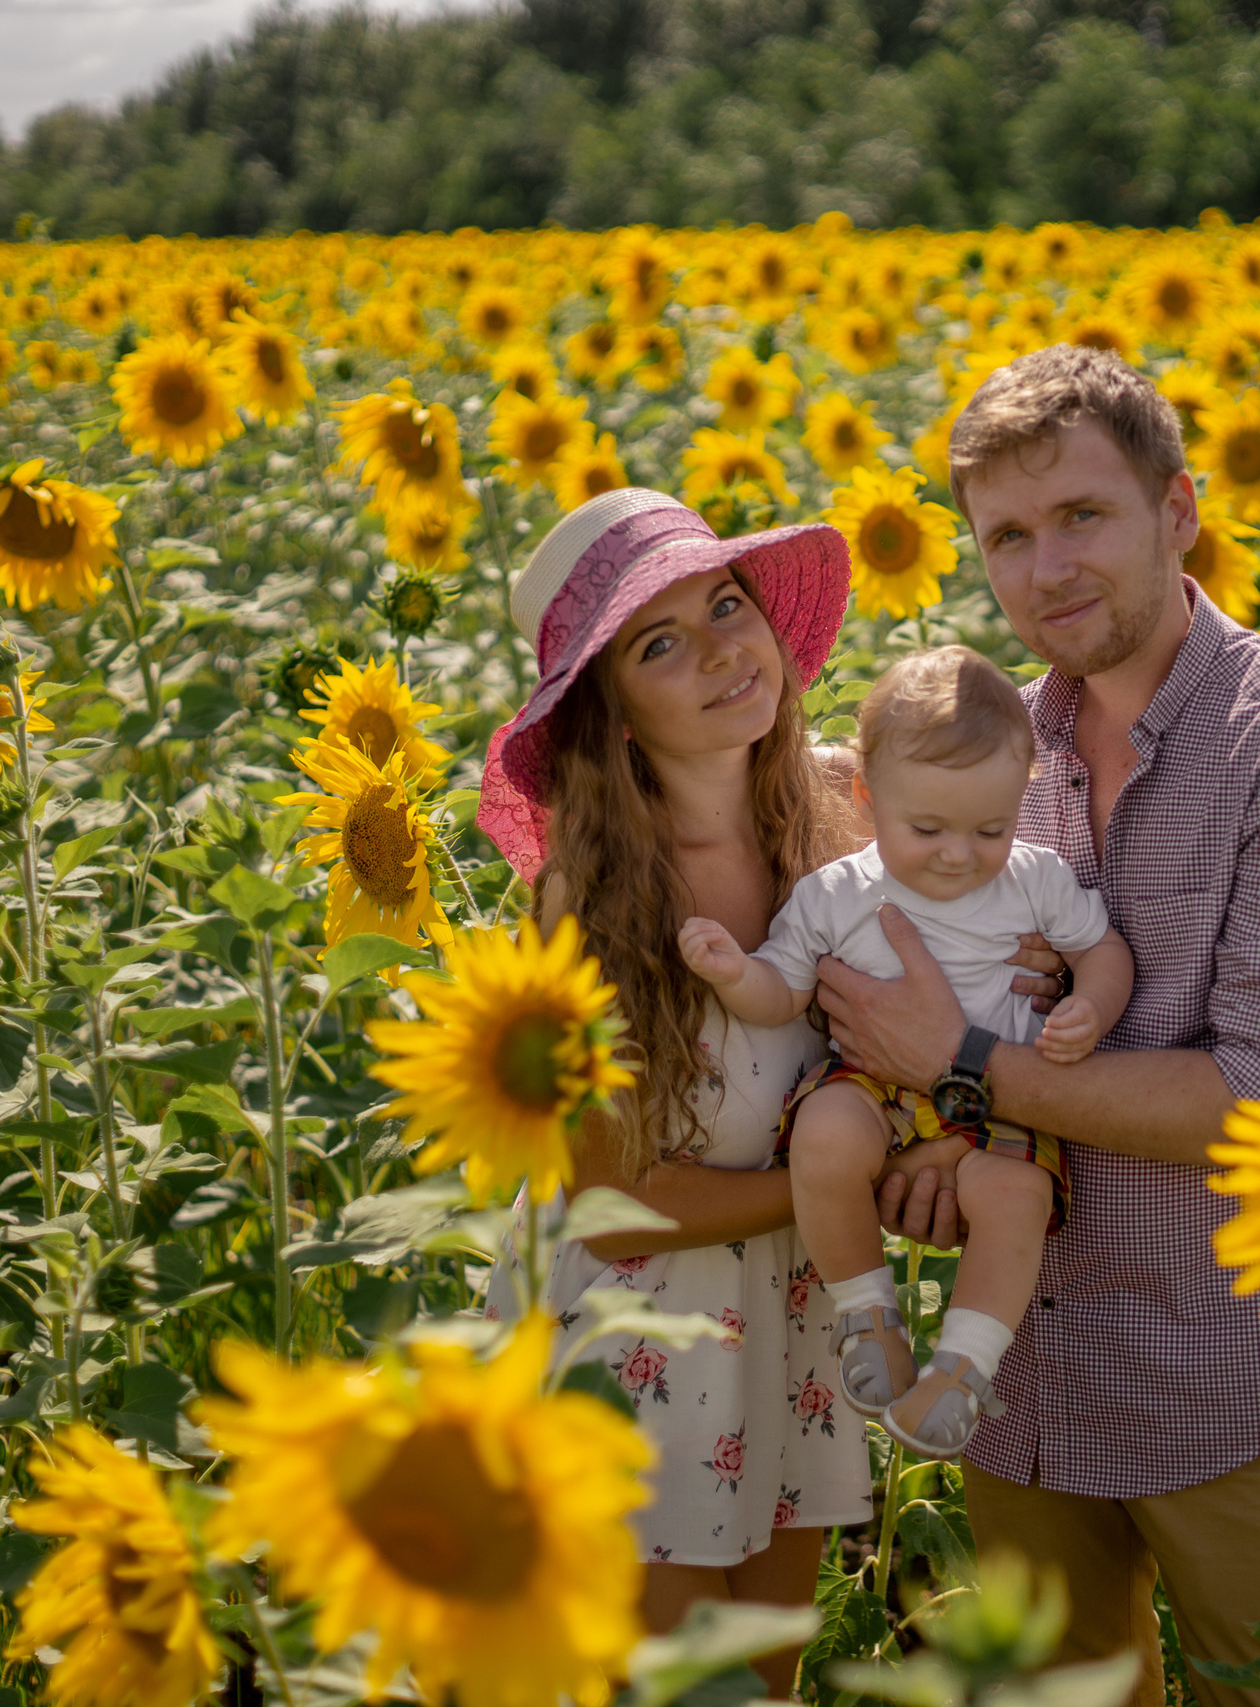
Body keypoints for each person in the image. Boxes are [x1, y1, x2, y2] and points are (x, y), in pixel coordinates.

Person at [812, 344, 1260, 1707]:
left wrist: (961, 1063)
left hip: (1225, 1376)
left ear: (1180, 508)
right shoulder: (994, 751)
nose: (1046, 569)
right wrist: (928, 1153)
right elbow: (939, 1035)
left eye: (1082, 515)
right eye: (1009, 536)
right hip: (1021, 1385)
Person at [474, 486, 870, 1689]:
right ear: (614, 716)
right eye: (660, 644)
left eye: (726, 606)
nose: (718, 651)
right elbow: (615, 1193)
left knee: (765, 1681)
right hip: (638, 1337)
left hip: (794, 1323)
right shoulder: (590, 903)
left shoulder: (837, 821)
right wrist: (834, 1189)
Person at [679, 646, 1134, 1461]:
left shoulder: (1035, 879)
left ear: (1018, 803)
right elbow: (782, 991)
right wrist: (731, 972)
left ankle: (963, 1368)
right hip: (871, 1084)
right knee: (824, 1135)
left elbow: (1104, 949)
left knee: (1016, 1195)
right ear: (866, 796)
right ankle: (868, 1313)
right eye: (926, 828)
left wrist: (1091, 1006)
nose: (958, 853)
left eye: (989, 828)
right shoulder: (837, 892)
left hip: (999, 1099)